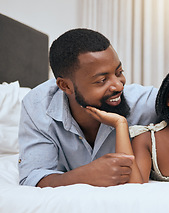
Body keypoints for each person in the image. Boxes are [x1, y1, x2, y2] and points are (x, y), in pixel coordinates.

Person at [18, 28, 158, 187]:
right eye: (102, 80)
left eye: (119, 72)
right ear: (65, 86)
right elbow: (33, 177)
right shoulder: (38, 106)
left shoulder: (143, 102)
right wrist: (85, 175)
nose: (118, 85)